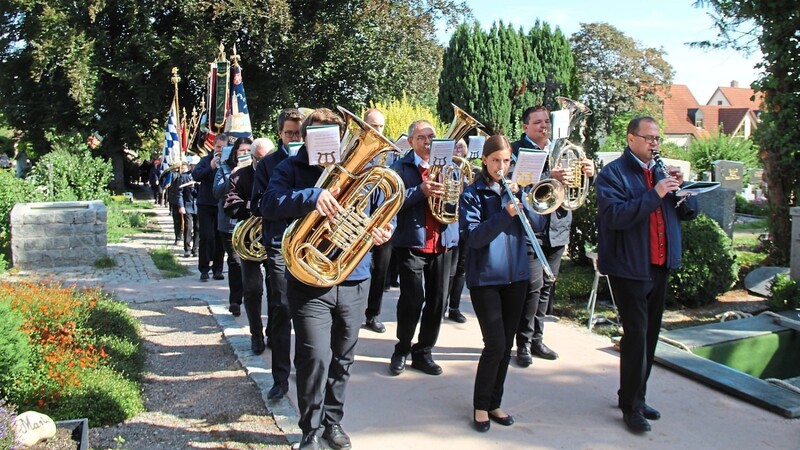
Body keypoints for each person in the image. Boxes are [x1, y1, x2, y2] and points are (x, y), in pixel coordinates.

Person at [263, 108, 394, 450]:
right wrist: (311, 196)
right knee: (314, 357)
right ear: (306, 138)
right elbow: (270, 204)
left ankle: (332, 423)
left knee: (343, 357)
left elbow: (378, 212)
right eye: (319, 137)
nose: (327, 144)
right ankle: (309, 428)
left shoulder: (364, 172)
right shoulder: (289, 168)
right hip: (309, 281)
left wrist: (381, 230)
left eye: (334, 137)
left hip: (354, 276)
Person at [595, 116, 698, 433]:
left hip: (660, 263)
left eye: (658, 139)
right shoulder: (612, 174)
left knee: (651, 335)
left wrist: (684, 194)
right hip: (628, 266)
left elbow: (689, 214)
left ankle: (636, 395)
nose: (655, 144)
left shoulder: (662, 171)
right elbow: (615, 217)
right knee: (636, 335)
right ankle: (631, 408)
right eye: (649, 138)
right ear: (631, 139)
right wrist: (655, 193)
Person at [460, 134, 545, 432]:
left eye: (507, 161)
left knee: (506, 345)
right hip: (486, 278)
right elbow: (474, 237)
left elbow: (539, 225)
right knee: (494, 344)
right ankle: (481, 405)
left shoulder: (516, 190)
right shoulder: (472, 194)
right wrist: (503, 213)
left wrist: (525, 204)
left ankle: (495, 402)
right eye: (496, 160)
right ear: (484, 160)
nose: (501, 166)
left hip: (517, 277)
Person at [511, 105, 595, 366]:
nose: (543, 126)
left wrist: (588, 176)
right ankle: (523, 342)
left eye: (547, 121)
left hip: (557, 227)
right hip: (531, 228)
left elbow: (578, 189)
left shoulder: (561, 149)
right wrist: (550, 176)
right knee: (532, 287)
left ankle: (538, 339)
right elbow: (516, 182)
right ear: (526, 126)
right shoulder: (516, 151)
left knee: (547, 287)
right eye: (537, 122)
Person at [389, 119, 459, 376]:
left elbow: (460, 197)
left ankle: (424, 352)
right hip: (411, 243)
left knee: (438, 302)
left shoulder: (449, 166)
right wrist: (420, 191)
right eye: (422, 137)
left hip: (442, 242)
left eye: (431, 136)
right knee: (412, 300)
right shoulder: (399, 168)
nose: (428, 141)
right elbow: (391, 203)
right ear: (411, 142)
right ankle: (402, 348)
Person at [253, 108, 305, 400]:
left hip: (311, 246)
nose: (295, 137)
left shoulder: (315, 161)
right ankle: (280, 378)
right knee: (282, 309)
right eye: (289, 133)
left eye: (299, 132)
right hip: (279, 245)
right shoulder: (269, 164)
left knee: (308, 313)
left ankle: (305, 368)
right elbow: (260, 205)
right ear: (280, 134)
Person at [224, 137, 275, 355]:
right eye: (259, 159)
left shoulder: (279, 171)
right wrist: (254, 207)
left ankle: (274, 330)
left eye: (268, 158)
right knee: (253, 289)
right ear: (253, 157)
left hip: (275, 238)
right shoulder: (240, 175)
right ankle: (256, 334)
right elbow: (230, 204)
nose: (264, 163)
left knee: (278, 290)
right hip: (250, 241)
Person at [213, 137, 251, 317]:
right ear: (235, 152)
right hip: (229, 224)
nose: (245, 154)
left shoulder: (256, 170)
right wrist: (233, 176)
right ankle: (235, 300)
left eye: (248, 151)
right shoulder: (225, 169)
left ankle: (249, 295)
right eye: (241, 150)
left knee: (248, 263)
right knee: (235, 261)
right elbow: (217, 192)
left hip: (251, 223)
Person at [363, 108, 390, 333]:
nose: (377, 130)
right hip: (359, 219)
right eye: (373, 125)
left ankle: (373, 315)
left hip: (382, 221)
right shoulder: (355, 149)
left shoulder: (392, 154)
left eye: (381, 126)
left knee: (380, 271)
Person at [192, 134, 227, 282]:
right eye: (218, 147)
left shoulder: (228, 162)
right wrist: (211, 167)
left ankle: (218, 269)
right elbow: (196, 175)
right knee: (206, 236)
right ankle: (204, 269)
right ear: (214, 146)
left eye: (224, 148)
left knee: (220, 238)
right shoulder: (206, 160)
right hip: (205, 204)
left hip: (220, 204)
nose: (220, 150)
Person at [446, 137, 469, 323]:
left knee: (461, 269)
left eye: (460, 146)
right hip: (449, 224)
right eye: (454, 146)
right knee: (449, 270)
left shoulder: (472, 170)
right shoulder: (443, 169)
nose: (457, 149)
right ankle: (442, 304)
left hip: (465, 224)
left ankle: (454, 307)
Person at [168, 161, 197, 257]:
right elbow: (179, 193)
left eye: (196, 165)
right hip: (187, 205)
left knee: (198, 228)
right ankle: (187, 248)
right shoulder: (184, 176)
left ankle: (195, 249)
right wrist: (181, 206)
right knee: (188, 227)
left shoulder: (201, 176)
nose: (194, 167)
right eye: (193, 165)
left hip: (198, 206)